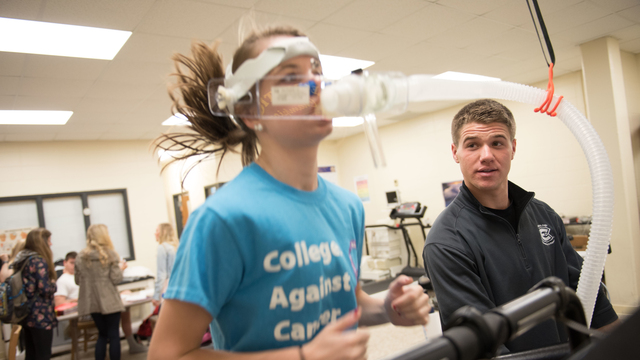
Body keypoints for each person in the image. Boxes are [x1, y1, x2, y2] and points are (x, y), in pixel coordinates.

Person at [148, 25, 431, 360]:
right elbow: (167, 354)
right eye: (290, 78)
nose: (316, 86)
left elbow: (351, 304)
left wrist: (387, 309)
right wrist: (302, 356)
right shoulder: (222, 219)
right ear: (251, 113)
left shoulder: (347, 207)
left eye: (317, 71)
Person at [423, 99, 619, 354]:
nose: (486, 156)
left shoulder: (544, 215)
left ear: (513, 148)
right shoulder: (446, 242)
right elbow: (481, 344)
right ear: (455, 152)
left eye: (497, 143)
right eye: (472, 145)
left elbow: (588, 294)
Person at [75, 224, 126, 360]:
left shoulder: (80, 256)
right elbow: (116, 279)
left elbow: (78, 281)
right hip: (110, 301)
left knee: (102, 335)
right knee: (114, 335)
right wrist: (121, 268)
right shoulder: (110, 254)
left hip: (92, 303)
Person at [11, 228, 57, 360]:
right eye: (49, 240)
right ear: (41, 242)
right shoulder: (38, 261)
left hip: (26, 313)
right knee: (43, 354)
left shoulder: (23, 259)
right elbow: (45, 289)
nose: (51, 244)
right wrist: (53, 283)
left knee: (31, 354)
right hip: (41, 315)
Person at [152, 223, 179, 308]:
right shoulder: (177, 246)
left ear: (163, 232)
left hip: (168, 291)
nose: (155, 233)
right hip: (179, 288)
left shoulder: (162, 247)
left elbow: (161, 274)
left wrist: (156, 296)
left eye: (157, 231)